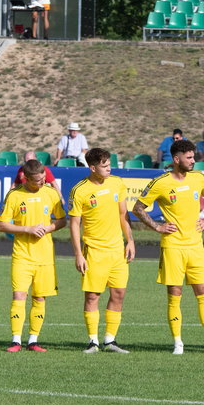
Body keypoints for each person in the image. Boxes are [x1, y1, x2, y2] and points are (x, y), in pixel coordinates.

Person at [133, 139, 204, 355]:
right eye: (189, 157)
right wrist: (158, 227)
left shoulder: (198, 178)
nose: (193, 161)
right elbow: (138, 208)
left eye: (193, 156)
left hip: (196, 246)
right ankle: (178, 343)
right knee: (175, 293)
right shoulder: (160, 182)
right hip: (172, 247)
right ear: (176, 159)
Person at [68, 148, 136, 353]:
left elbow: (124, 214)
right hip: (94, 252)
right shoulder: (80, 190)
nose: (109, 169)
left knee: (118, 294)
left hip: (117, 251)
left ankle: (110, 340)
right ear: (92, 167)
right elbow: (74, 225)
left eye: (109, 164)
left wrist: (130, 241)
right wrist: (79, 254)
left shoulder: (117, 183)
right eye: (105, 166)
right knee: (92, 296)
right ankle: (93, 341)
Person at [0, 159, 66, 352]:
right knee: (19, 295)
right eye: (37, 180)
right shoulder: (14, 196)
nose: (42, 182)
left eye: (43, 178)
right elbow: (2, 224)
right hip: (22, 255)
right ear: (26, 179)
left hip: (45, 257)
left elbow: (62, 221)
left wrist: (49, 227)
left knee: (40, 298)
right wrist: (27, 229)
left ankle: (33, 340)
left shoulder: (51, 194)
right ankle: (16, 340)